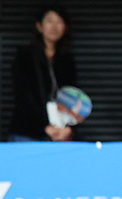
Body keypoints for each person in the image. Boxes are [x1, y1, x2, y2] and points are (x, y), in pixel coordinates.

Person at [7, 7, 79, 142]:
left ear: (65, 28)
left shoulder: (66, 60)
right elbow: (23, 96)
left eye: (59, 22)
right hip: (27, 132)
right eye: (49, 21)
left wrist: (68, 128)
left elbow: (72, 96)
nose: (54, 26)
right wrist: (44, 127)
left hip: (60, 132)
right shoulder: (24, 56)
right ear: (39, 26)